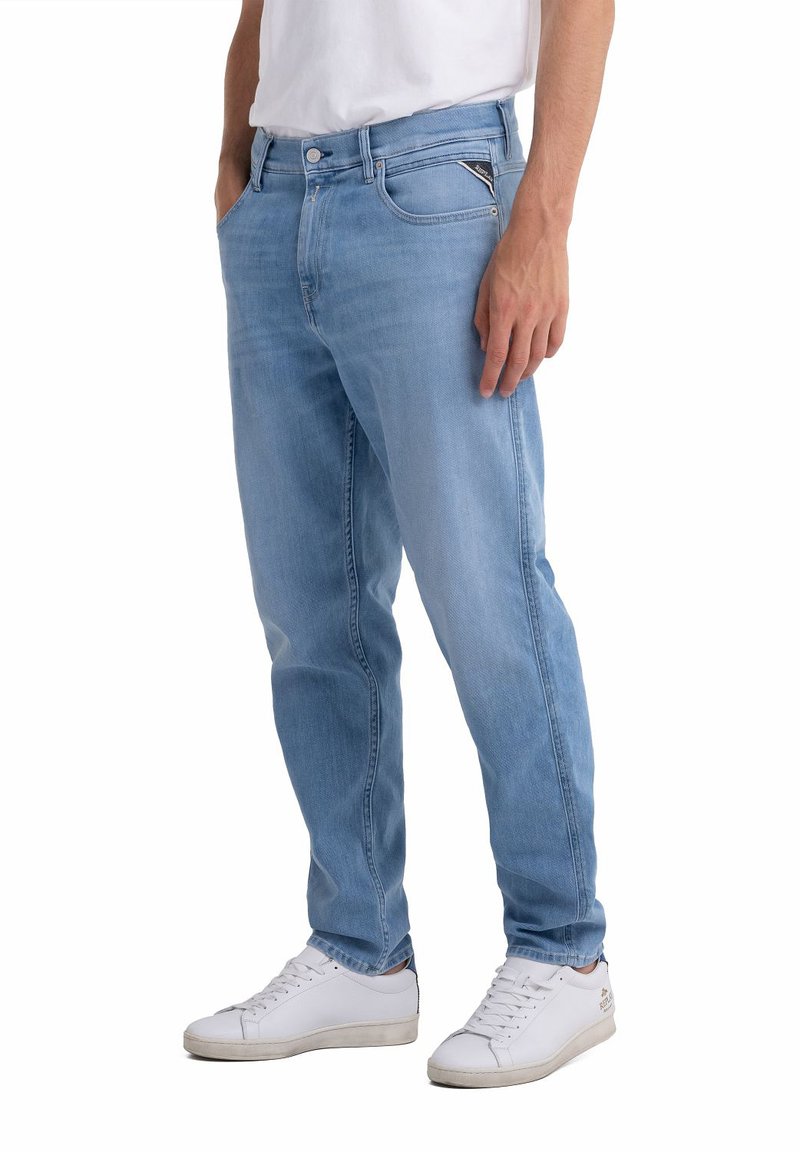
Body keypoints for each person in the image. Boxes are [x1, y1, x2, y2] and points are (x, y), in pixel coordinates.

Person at [184, 0, 616, 1088]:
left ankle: (562, 950)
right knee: (309, 611)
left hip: (431, 184)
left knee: (487, 594)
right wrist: (235, 157)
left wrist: (543, 218)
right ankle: (359, 948)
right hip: (278, 191)